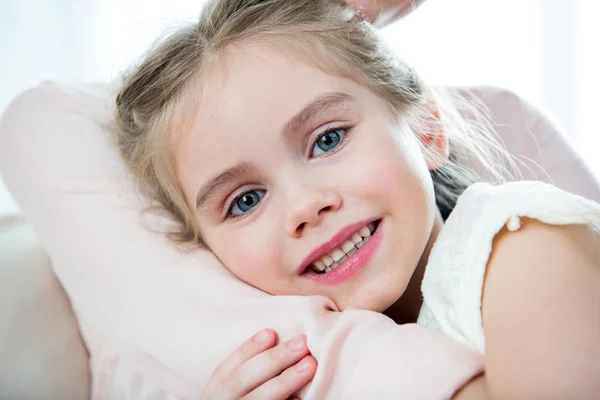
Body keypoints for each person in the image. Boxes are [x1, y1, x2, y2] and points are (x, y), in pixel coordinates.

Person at [113, 0, 600, 399]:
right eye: (246, 201)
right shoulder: (312, 355)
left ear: (426, 127)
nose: (305, 206)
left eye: (327, 140)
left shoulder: (524, 249)